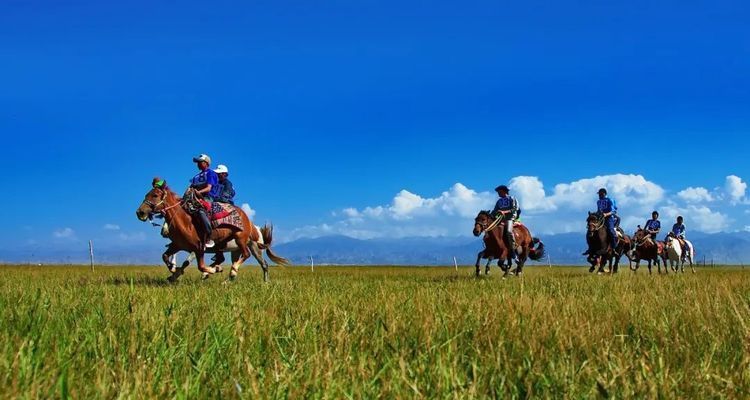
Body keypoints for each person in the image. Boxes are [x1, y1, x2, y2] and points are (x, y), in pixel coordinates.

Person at [190, 154, 221, 248]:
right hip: (194, 197)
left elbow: (208, 188)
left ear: (206, 163)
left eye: (200, 162)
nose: (198, 164)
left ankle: (209, 235)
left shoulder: (211, 173)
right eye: (197, 162)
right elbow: (191, 188)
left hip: (208, 197)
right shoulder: (195, 177)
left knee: (200, 210)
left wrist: (198, 192)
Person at [491, 185, 520, 257]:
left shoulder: (512, 198)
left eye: (499, 192)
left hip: (510, 218)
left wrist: (504, 212)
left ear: (504, 191)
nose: (498, 194)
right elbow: (494, 211)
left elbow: (514, 209)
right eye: (498, 192)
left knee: (509, 231)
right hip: (501, 219)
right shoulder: (499, 201)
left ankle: (513, 247)